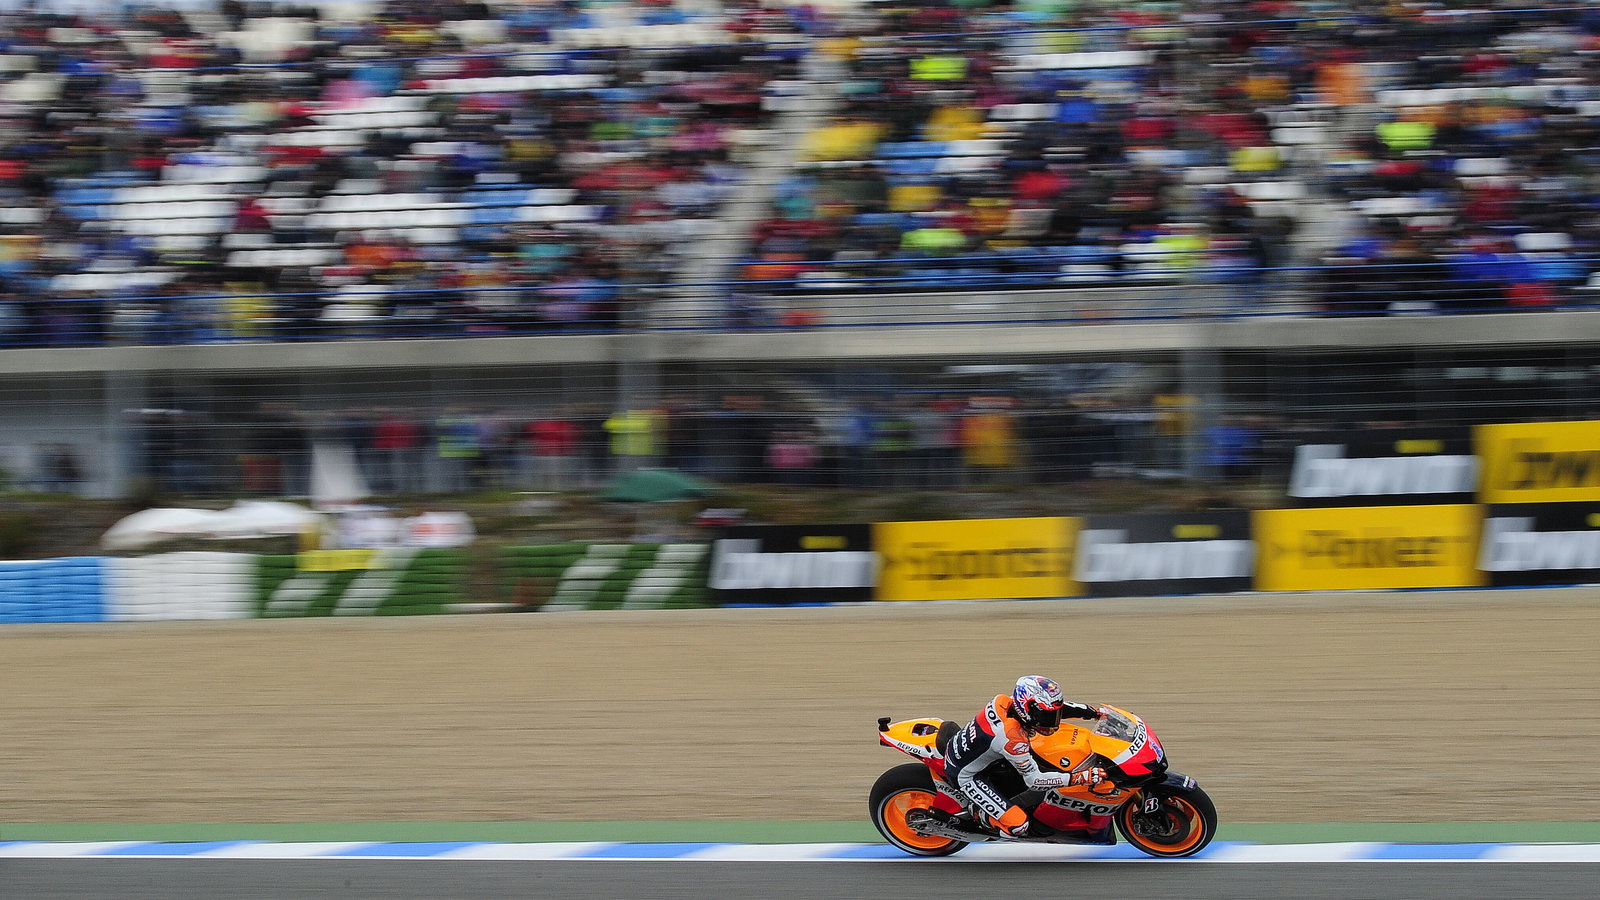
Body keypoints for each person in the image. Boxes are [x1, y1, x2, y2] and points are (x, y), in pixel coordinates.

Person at [932, 675, 1107, 837]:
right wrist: (1081, 777)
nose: (1052, 721)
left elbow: (1059, 708)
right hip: (967, 775)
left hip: (980, 753)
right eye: (1046, 716)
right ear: (1027, 709)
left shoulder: (1007, 702)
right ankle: (978, 812)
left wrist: (1094, 712)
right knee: (1018, 826)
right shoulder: (1012, 739)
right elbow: (1034, 781)